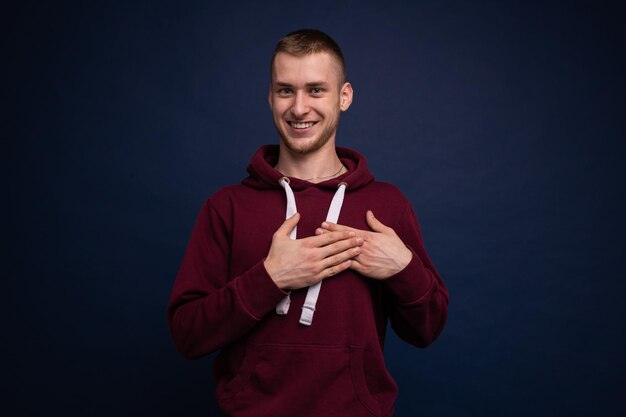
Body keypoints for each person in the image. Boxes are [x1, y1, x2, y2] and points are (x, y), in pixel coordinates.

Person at [167, 29, 448, 417]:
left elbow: (427, 330)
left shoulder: (387, 206)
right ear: (270, 96)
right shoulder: (226, 206)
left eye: (316, 90)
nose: (299, 108)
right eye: (285, 90)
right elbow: (187, 335)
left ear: (343, 97)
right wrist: (269, 278)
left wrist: (404, 269)